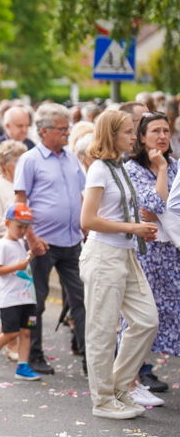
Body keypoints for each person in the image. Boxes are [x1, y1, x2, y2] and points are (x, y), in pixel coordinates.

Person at [80, 110, 158, 420]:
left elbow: (118, 212)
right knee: (101, 332)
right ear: (111, 135)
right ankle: (102, 400)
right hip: (104, 257)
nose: (134, 136)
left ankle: (119, 386)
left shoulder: (119, 167)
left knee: (146, 320)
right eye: (127, 131)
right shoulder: (99, 169)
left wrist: (139, 226)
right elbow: (88, 221)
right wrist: (134, 229)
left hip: (125, 255)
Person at [14, 103, 87, 376]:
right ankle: (34, 354)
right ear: (44, 131)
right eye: (61, 128)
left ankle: (89, 356)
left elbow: (81, 195)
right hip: (42, 243)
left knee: (82, 299)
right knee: (37, 301)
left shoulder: (71, 158)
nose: (67, 133)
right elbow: (20, 203)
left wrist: (86, 228)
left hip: (72, 241)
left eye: (68, 128)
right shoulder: (30, 160)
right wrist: (31, 237)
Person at [123, 111, 179, 400]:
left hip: (171, 252)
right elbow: (155, 204)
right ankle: (129, 382)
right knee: (139, 317)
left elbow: (168, 208)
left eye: (166, 131)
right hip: (146, 251)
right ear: (142, 138)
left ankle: (137, 377)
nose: (162, 136)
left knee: (163, 317)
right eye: (155, 131)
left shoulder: (175, 166)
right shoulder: (133, 169)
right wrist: (159, 171)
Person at [0, 203, 42, 381]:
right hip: (10, 298)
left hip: (27, 297)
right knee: (11, 332)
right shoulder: (2, 245)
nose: (23, 230)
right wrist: (19, 265)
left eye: (26, 227)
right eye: (19, 226)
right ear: (7, 223)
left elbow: (21, 265)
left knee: (26, 332)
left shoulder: (20, 243)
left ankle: (23, 366)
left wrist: (31, 253)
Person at [0, 106, 35, 179]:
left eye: (27, 126)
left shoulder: (31, 146)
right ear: (7, 125)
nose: (24, 130)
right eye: (20, 126)